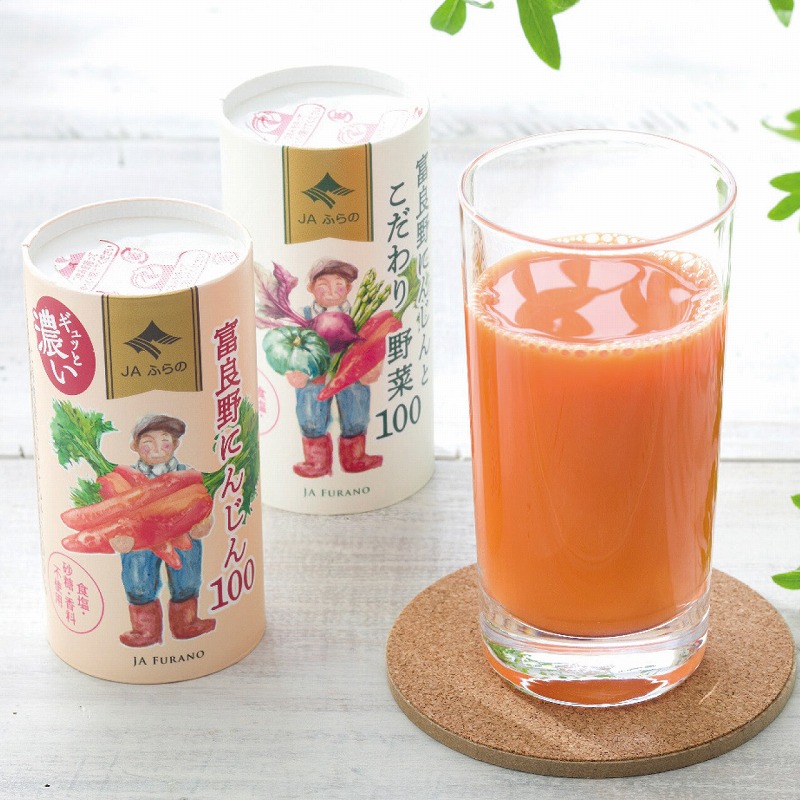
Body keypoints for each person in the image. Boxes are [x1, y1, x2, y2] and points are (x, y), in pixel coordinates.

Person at [119, 414, 215, 648]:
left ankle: (186, 623)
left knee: (187, 579)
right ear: (134, 446)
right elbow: (117, 514)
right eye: (147, 442)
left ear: (175, 444)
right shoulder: (127, 479)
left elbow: (203, 504)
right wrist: (119, 536)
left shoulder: (187, 473)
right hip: (142, 538)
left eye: (165, 441)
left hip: (181, 535)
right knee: (138, 581)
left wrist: (203, 523)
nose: (156, 448)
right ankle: (145, 630)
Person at [285, 259, 383, 477]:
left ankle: (355, 458)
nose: (331, 291)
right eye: (323, 284)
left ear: (348, 288)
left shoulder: (359, 315)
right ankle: (316, 462)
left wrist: (372, 366)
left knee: (356, 414)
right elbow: (289, 347)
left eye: (339, 284)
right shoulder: (302, 316)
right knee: (310, 415)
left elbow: (373, 345)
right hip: (315, 375)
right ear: (310, 287)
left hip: (350, 374)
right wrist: (293, 369)